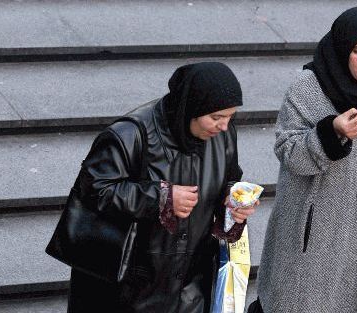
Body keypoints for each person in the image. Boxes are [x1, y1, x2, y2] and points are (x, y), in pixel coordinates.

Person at [253, 7, 357, 313]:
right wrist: (331, 132)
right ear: (343, 47)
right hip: (310, 238)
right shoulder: (307, 88)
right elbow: (288, 151)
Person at [66, 62, 258, 313]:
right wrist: (162, 198)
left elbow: (229, 180)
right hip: (127, 288)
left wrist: (235, 204)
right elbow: (94, 191)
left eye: (230, 117)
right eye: (216, 117)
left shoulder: (222, 137)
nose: (224, 126)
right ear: (191, 107)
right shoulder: (129, 135)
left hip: (189, 289)